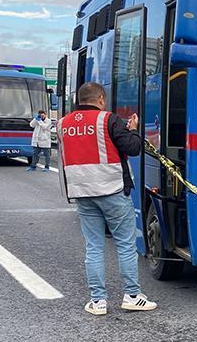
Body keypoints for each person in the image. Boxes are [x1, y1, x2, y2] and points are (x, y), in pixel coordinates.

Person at [57, 82, 157, 316]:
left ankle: (97, 302)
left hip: (83, 193)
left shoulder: (63, 124)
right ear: (101, 99)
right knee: (125, 245)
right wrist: (133, 129)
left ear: (79, 99)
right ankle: (132, 295)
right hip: (112, 190)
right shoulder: (108, 120)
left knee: (94, 247)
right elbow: (132, 148)